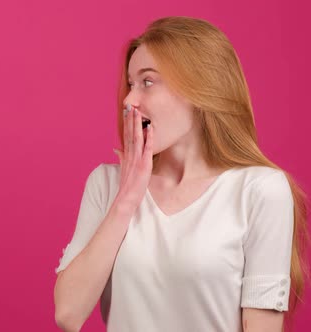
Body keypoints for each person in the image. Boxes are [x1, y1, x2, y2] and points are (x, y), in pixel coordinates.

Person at [53, 16, 309, 332]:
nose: (129, 100)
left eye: (147, 82)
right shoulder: (106, 184)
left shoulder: (260, 191)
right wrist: (127, 198)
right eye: (130, 84)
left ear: (200, 89)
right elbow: (67, 313)